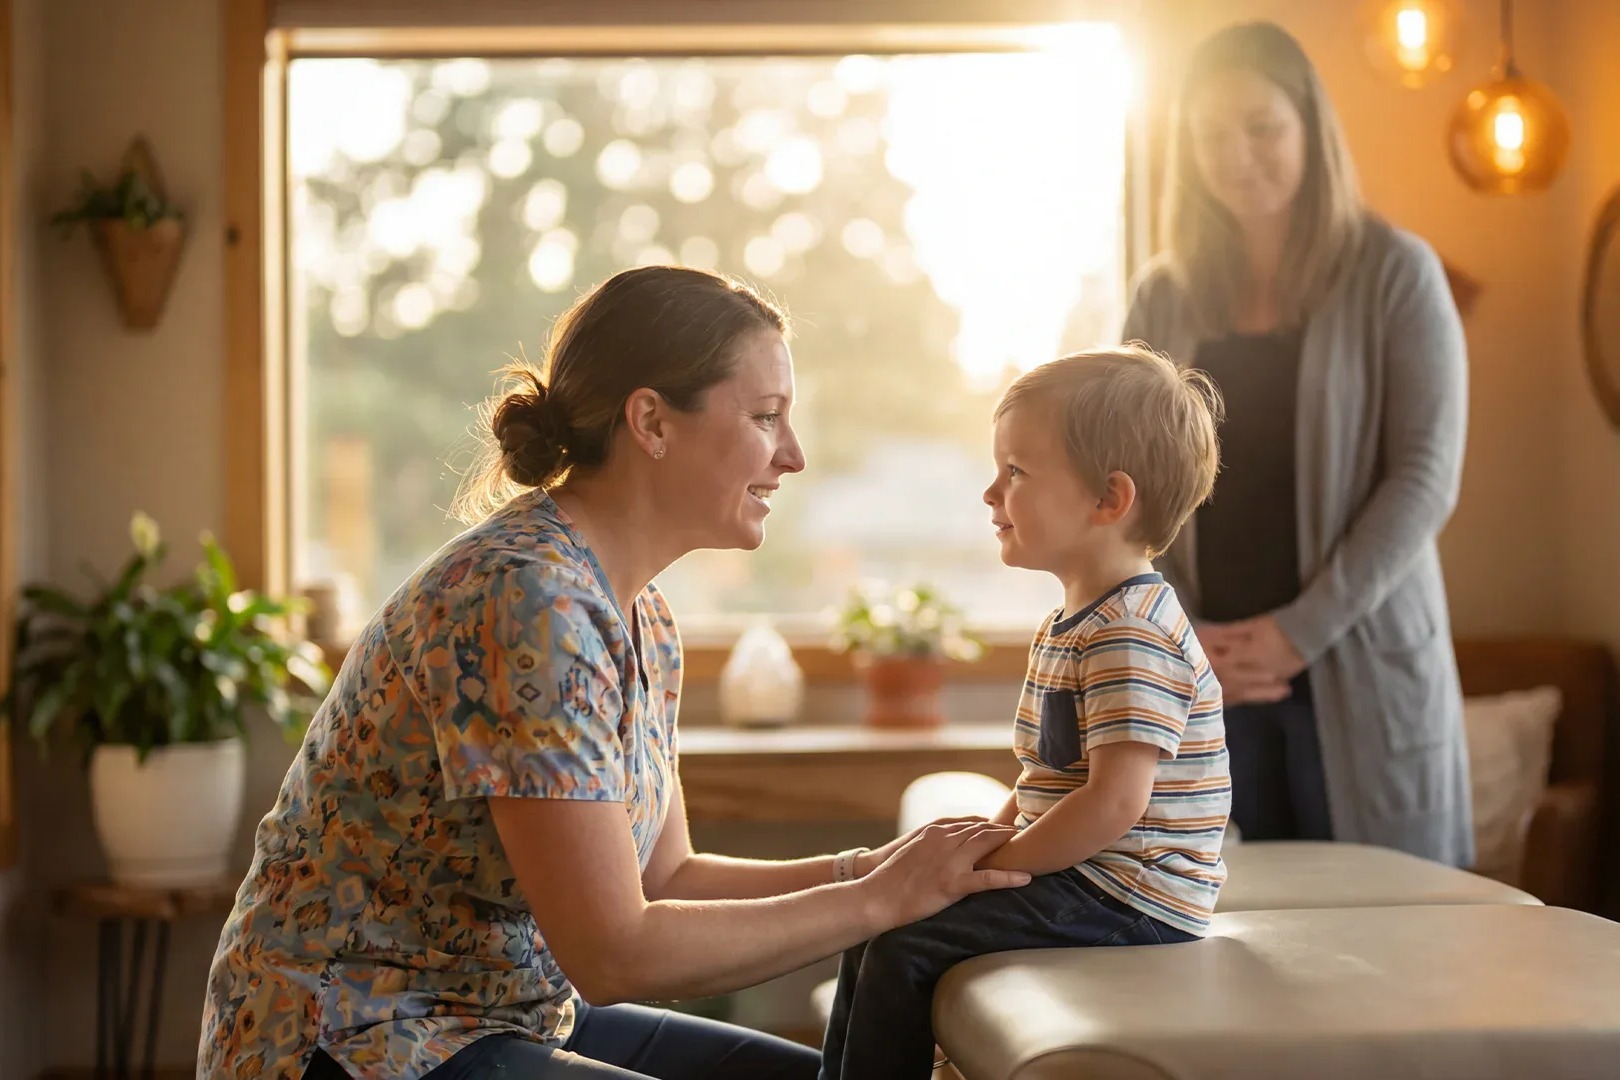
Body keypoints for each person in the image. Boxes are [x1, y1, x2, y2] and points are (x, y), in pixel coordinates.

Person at [199, 266, 1032, 1080]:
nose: (794, 456)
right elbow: (612, 952)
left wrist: (879, 869)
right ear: (652, 422)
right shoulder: (529, 599)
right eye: (766, 416)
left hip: (501, 1015)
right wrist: (880, 903)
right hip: (356, 1038)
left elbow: (667, 878)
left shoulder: (642, 616)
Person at [819, 347, 1228, 1080]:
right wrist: (992, 832)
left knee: (901, 940)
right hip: (1098, 881)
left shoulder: (1132, 630)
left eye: (1015, 472)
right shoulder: (1078, 619)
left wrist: (993, 866)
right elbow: (1050, 773)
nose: (989, 492)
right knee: (876, 919)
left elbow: (1114, 803)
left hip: (1133, 898)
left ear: (1108, 500)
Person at [1122, 22, 1472, 862]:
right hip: (1205, 674)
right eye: (1211, 136)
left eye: (1262, 127)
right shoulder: (1162, 298)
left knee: (1391, 948)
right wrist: (1184, 632)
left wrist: (1298, 632)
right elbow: (1124, 480)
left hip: (1362, 673)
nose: (1238, 155)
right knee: (1214, 947)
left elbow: (1424, 478)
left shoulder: (1395, 272)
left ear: (1311, 127)